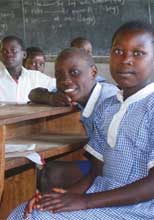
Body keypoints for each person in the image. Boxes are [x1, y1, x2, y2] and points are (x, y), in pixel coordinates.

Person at [8, 21, 154, 220]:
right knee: (26, 212)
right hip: (105, 194)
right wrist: (65, 196)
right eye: (118, 52)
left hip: (147, 209)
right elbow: (96, 171)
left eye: (138, 53)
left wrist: (84, 202)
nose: (126, 60)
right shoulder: (108, 106)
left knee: (38, 218)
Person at [28, 48, 119, 192]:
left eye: (74, 73)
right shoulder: (84, 92)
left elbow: (112, 160)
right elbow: (33, 94)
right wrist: (51, 97)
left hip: (118, 171)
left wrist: (71, 195)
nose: (66, 81)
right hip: (103, 163)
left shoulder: (108, 102)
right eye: (59, 76)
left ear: (93, 73)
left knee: (49, 174)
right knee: (50, 168)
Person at [0, 36, 55, 103]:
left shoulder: (36, 77)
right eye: (4, 51)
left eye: (13, 51)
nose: (8, 54)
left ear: (24, 55)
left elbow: (60, 86)